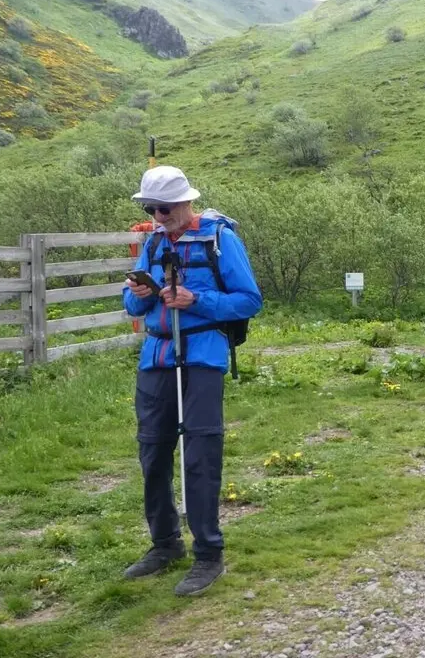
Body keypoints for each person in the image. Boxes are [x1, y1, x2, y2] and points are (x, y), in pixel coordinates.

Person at [122, 165, 263, 596]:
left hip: (202, 356)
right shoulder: (152, 243)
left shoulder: (221, 239)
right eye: (150, 209)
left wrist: (195, 299)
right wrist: (138, 295)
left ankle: (208, 554)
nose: (157, 216)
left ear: (186, 203)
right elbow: (131, 305)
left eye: (164, 208)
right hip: (156, 357)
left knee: (200, 455)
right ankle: (165, 544)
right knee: (152, 452)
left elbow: (249, 300)